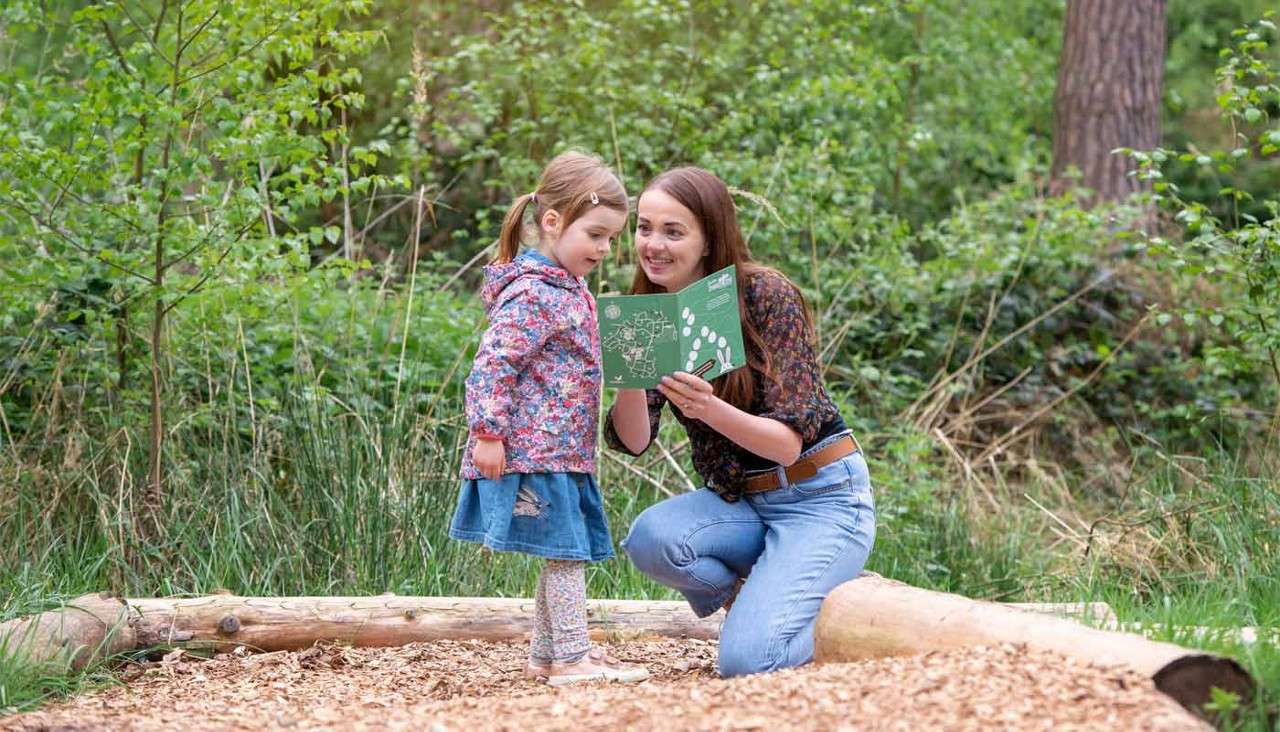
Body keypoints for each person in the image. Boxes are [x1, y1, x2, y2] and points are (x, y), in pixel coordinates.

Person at [604, 166, 876, 678]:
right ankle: (762, 598)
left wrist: (708, 408)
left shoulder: (764, 294)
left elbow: (787, 446)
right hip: (745, 502)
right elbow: (634, 441)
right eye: (644, 228)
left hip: (820, 499)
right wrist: (627, 371)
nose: (653, 244)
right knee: (650, 539)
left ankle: (846, 623)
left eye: (673, 231)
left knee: (748, 662)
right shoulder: (651, 308)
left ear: (709, 239)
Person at [449, 151, 649, 686]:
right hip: (536, 452)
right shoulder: (536, 293)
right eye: (597, 235)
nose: (605, 250)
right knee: (568, 552)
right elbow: (494, 361)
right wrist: (487, 433)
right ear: (554, 222)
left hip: (563, 452)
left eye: (611, 239)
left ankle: (548, 654)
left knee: (563, 550)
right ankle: (573, 656)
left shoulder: (567, 289)